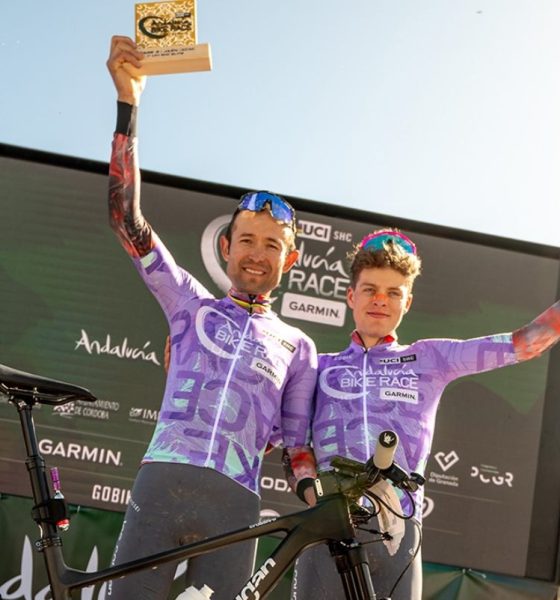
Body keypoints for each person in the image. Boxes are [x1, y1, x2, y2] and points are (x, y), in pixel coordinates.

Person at [105, 36, 318, 599]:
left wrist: (318, 497)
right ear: (226, 247)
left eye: (271, 245)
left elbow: (296, 446)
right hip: (162, 480)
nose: (256, 254)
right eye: (246, 239)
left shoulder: (298, 347)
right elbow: (126, 219)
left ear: (290, 260)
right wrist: (129, 104)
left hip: (235, 503)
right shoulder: (188, 303)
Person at [291, 228, 560, 600]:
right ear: (351, 295)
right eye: (370, 289)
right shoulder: (317, 367)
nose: (380, 300)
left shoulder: (429, 358)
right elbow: (294, 446)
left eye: (393, 292)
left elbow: (526, 343)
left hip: (398, 535)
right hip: (326, 530)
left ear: (408, 302)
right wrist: (312, 494)